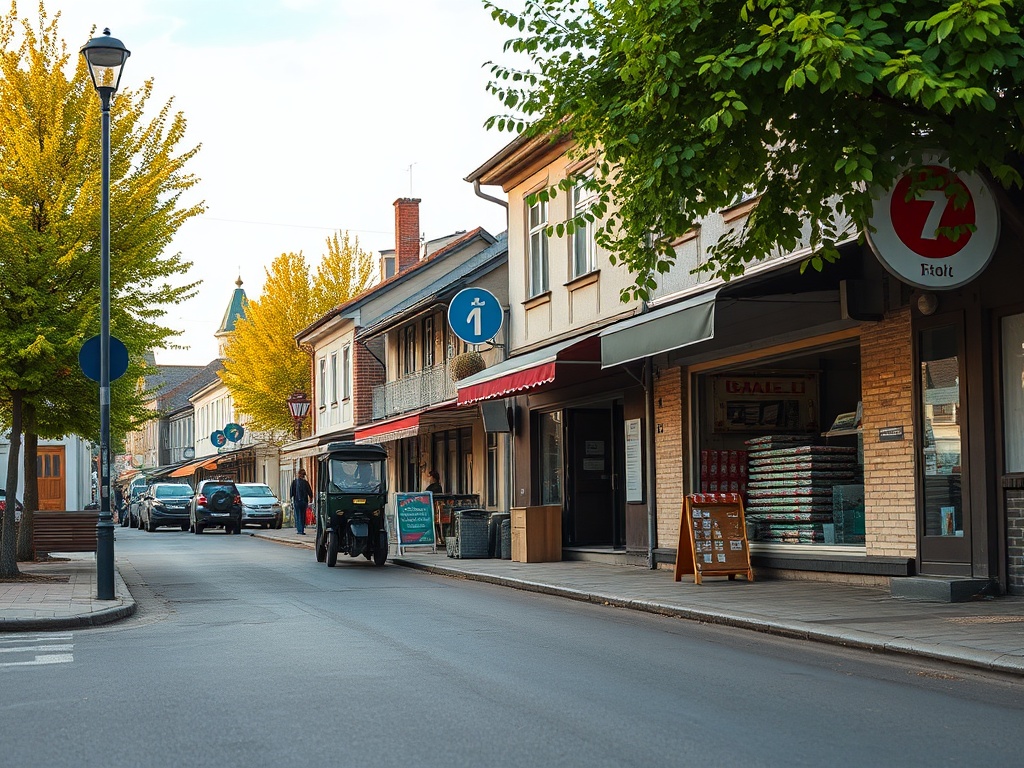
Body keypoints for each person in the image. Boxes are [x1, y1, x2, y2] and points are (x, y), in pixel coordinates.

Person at [289, 468, 313, 535]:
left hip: (297, 501)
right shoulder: (305, 483)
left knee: (298, 515)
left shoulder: (294, 482)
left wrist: (291, 499)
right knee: (302, 515)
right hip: (304, 501)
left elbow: (291, 492)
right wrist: (311, 498)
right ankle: (301, 530)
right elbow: (310, 492)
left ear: (298, 474)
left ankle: (299, 530)